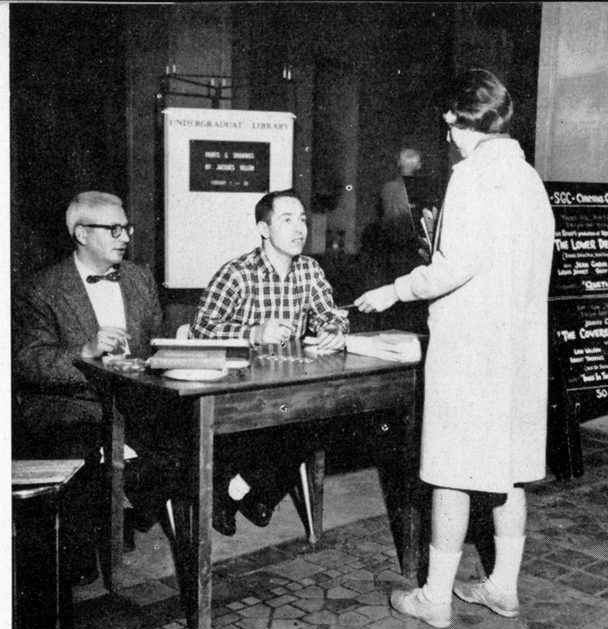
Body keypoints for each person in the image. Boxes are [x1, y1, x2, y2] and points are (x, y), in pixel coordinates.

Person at [355, 69, 555, 627]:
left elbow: (454, 267)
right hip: (518, 353)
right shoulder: (529, 179)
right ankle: (502, 588)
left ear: (451, 119)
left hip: (472, 352)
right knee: (508, 471)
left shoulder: (470, 177)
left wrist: (394, 289)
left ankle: (434, 598)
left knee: (450, 473)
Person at [13, 191, 172, 584]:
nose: (125, 238)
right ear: (82, 234)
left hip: (134, 401)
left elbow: (154, 344)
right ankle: (81, 549)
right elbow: (27, 360)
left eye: (127, 228)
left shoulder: (139, 279)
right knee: (77, 450)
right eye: (114, 229)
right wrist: (84, 351)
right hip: (71, 405)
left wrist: (173, 344)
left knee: (179, 444)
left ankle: (128, 517)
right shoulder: (41, 289)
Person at [190, 188, 349, 536]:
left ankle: (240, 490)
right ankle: (249, 493)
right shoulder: (237, 272)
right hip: (239, 390)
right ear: (264, 229)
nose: (300, 229)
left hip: (289, 387)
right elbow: (200, 329)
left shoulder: (309, 270)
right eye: (287, 220)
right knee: (274, 432)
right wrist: (253, 332)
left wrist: (334, 328)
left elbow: (330, 314)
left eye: (303, 220)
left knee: (318, 419)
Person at [378, 146, 438, 333]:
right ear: (419, 165)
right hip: (413, 250)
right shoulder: (421, 189)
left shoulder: (387, 188)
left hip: (390, 249)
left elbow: (384, 217)